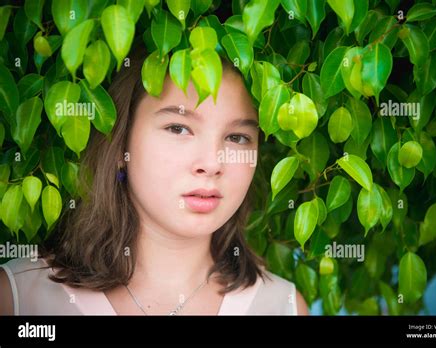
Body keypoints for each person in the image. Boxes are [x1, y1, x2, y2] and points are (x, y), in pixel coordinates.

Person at [0, 45, 309, 315]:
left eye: (237, 137)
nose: (212, 163)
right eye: (178, 128)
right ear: (122, 144)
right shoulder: (18, 297)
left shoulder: (282, 306)